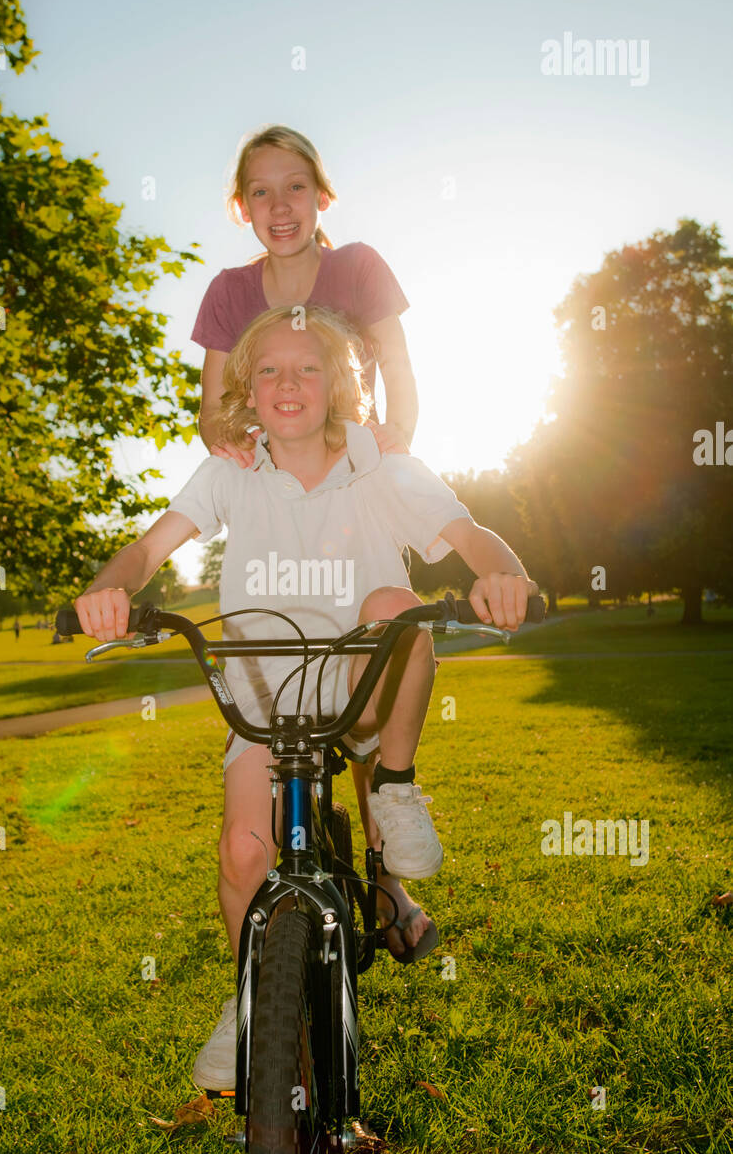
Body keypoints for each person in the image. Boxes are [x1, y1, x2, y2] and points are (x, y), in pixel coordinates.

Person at [74, 305, 538, 1091]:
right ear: (247, 391)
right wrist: (107, 590)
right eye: (269, 370)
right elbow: (149, 549)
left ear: (340, 385)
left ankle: (393, 788)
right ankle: (252, 999)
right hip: (265, 696)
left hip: (362, 682)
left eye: (308, 368)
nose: (287, 383)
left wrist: (505, 575)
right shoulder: (230, 471)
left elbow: (471, 536)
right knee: (242, 852)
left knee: (395, 606)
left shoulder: (383, 467)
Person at [193, 125, 419, 468]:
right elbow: (212, 409)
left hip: (357, 471)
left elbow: (397, 367)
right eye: (261, 192)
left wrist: (397, 433)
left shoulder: (358, 267)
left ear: (321, 195)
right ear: (243, 208)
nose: (279, 206)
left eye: (295, 187)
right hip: (270, 480)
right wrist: (230, 446)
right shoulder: (228, 292)